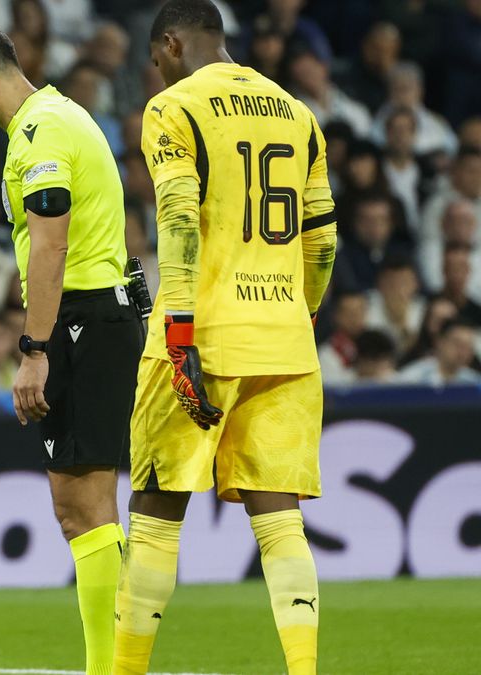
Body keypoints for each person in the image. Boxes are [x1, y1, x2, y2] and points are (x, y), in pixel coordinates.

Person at [115, 3, 338, 674]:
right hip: (285, 339)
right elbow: (321, 240)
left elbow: (178, 221)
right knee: (281, 523)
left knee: (155, 516)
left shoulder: (173, 109)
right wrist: (305, 314)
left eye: (158, 60)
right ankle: (303, 669)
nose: (157, 72)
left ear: (173, 44)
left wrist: (179, 328)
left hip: (202, 333)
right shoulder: (298, 113)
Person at [0, 23, 142, 675]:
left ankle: (110, 668)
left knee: (82, 507)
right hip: (92, 316)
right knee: (87, 506)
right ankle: (116, 663)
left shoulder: (42, 130)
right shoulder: (51, 120)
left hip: (79, 321)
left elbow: (52, 244)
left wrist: (34, 348)